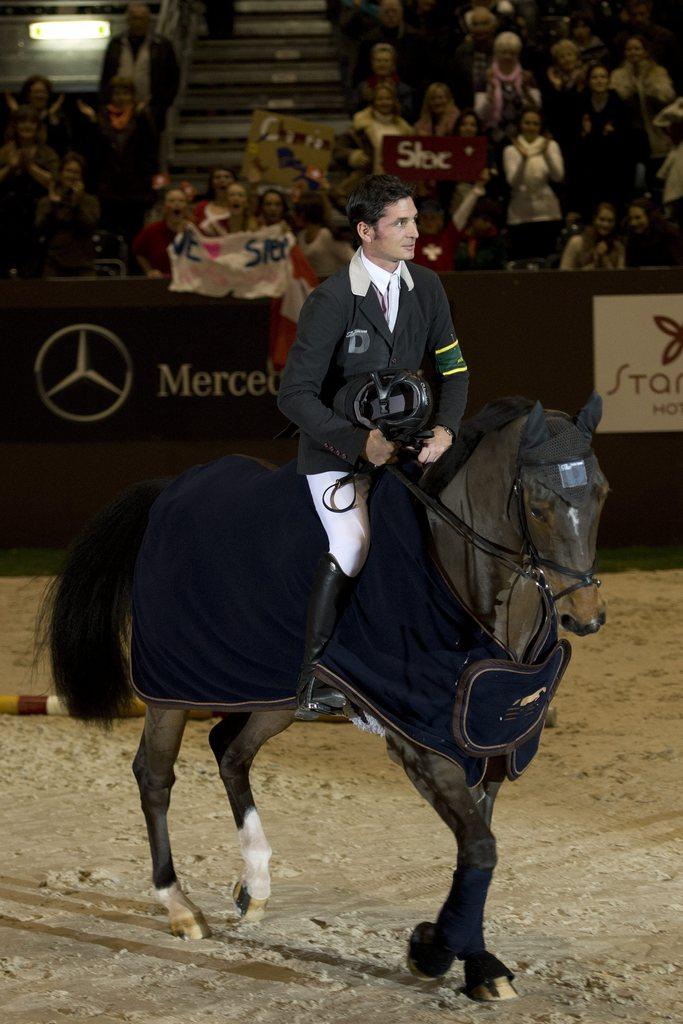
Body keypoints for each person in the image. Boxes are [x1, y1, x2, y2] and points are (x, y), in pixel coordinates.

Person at [278, 174, 469, 715]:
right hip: (336, 453)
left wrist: (446, 429)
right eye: (401, 223)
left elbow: (454, 371)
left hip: (411, 447)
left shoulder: (427, 286)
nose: (415, 232)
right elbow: (293, 395)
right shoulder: (331, 299)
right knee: (354, 543)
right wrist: (359, 444)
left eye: (414, 220)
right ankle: (312, 681)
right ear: (366, 231)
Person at [78, 77, 158, 248]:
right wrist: (92, 123)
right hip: (108, 187)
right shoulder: (101, 116)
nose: (121, 97)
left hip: (135, 188)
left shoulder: (142, 115)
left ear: (132, 95)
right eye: (117, 93)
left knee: (134, 237)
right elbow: (93, 151)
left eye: (125, 93)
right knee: (109, 236)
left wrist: (149, 184)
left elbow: (150, 151)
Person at [99, 2, 180, 132]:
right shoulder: (116, 44)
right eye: (134, 18)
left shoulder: (161, 46)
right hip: (119, 109)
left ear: (148, 20)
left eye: (141, 19)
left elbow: (172, 78)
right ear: (128, 20)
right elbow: (106, 75)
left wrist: (160, 105)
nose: (137, 23)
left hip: (150, 108)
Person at [0, 105, 59, 276]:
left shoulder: (47, 153)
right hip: (6, 219)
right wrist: (9, 168)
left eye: (32, 122)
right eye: (22, 121)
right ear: (15, 125)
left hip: (37, 218)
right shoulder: (4, 151)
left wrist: (30, 167)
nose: (27, 126)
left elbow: (55, 183)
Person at [609, 35, 675, 180]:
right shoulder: (617, 76)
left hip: (656, 133)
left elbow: (667, 99)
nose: (633, 52)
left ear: (645, 51)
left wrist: (649, 88)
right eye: (629, 49)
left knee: (657, 176)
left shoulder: (658, 72)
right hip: (629, 135)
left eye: (637, 49)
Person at [503, 110, 564, 260]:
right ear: (520, 125)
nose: (531, 127)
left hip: (547, 213)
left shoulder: (551, 145)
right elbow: (513, 181)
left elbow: (558, 176)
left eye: (535, 124)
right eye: (527, 123)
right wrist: (523, 159)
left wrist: (545, 153)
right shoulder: (511, 149)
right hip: (520, 214)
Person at [35, 152, 100, 277]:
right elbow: (41, 228)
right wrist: (53, 205)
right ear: (61, 173)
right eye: (69, 171)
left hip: (83, 264)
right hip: (54, 264)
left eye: (76, 172)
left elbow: (89, 225)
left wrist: (77, 203)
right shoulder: (47, 201)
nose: (72, 176)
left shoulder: (90, 201)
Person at [475, 32, 541, 143]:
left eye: (512, 53)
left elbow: (536, 109)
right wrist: (490, 91)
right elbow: (480, 114)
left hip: (522, 136)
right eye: (504, 52)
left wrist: (526, 91)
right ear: (496, 53)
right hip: (493, 135)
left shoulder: (527, 77)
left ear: (518, 54)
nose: (507, 56)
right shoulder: (486, 77)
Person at [5, 75, 71, 157]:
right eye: (36, 92)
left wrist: (52, 118)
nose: (40, 96)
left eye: (43, 92)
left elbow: (63, 146)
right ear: (28, 95)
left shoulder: (58, 116)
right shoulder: (15, 114)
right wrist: (16, 114)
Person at [132, 185, 190, 277]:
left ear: (186, 206)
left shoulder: (194, 230)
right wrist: (149, 271)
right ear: (164, 206)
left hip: (189, 282)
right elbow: (138, 252)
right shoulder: (152, 230)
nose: (176, 204)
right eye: (172, 201)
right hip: (161, 282)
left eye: (181, 201)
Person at [294, 192, 354, 276]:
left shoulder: (326, 235)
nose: (294, 216)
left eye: (297, 212)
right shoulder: (301, 236)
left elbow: (352, 259)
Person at [353, 43, 414, 121]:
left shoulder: (403, 89)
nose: (382, 64)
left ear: (393, 65)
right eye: (378, 61)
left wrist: (392, 101)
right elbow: (353, 113)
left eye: (386, 61)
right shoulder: (362, 87)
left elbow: (408, 116)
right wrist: (365, 101)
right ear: (372, 64)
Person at [559, 201, 625, 269]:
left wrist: (604, 258)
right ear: (594, 219)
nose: (606, 224)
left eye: (610, 221)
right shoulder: (576, 242)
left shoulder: (618, 247)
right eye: (602, 219)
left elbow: (621, 277)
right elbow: (564, 272)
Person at [624, 197, 682, 266]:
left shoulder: (668, 236)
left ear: (650, 217)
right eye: (630, 218)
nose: (633, 223)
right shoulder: (632, 239)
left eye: (638, 218)